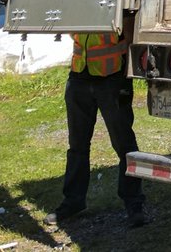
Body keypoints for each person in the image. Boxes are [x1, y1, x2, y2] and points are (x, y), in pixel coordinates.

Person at [45, 19, 147, 229]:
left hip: (112, 78)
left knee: (124, 145)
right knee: (77, 145)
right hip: (79, 76)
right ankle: (73, 201)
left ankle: (134, 204)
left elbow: (130, 37)